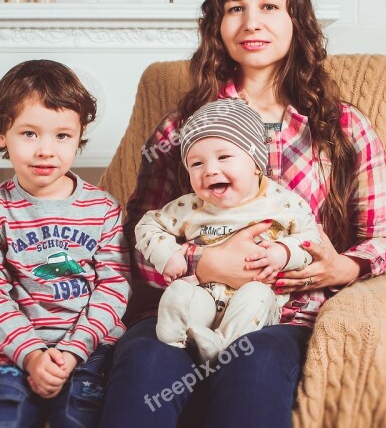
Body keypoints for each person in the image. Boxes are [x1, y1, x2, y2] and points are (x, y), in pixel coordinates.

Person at [100, 0, 386, 428]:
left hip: (281, 315)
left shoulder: (344, 128)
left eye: (269, 6)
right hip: (185, 305)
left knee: (254, 365)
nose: (251, 23)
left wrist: (338, 267)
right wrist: (202, 263)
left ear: (296, 19)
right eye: (235, 8)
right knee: (145, 363)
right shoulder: (178, 130)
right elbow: (137, 235)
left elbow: (382, 238)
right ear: (217, 24)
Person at [0, 60, 131, 427]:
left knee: (77, 417)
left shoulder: (103, 209)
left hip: (90, 350)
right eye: (29, 133)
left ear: (80, 134)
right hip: (11, 348)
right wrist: (30, 354)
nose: (45, 150)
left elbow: (114, 289)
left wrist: (71, 351)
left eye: (62, 135)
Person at [135, 98, 318, 362]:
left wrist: (285, 251)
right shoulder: (190, 207)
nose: (210, 170)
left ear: (256, 164)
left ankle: (222, 343)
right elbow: (147, 224)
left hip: (253, 300)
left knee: (256, 295)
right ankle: (176, 339)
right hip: (204, 293)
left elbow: (312, 238)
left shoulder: (283, 203)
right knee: (180, 294)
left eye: (224, 157)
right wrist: (170, 254)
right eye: (196, 164)